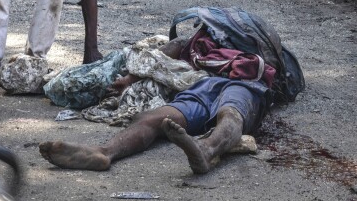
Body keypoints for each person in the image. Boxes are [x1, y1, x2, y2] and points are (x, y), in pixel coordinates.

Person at [38, 33, 272, 174]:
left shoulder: (258, 50)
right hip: (202, 83)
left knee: (230, 113)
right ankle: (103, 153)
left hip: (242, 84)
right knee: (154, 118)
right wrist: (129, 79)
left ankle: (206, 150)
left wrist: (130, 78)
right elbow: (162, 55)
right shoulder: (200, 41)